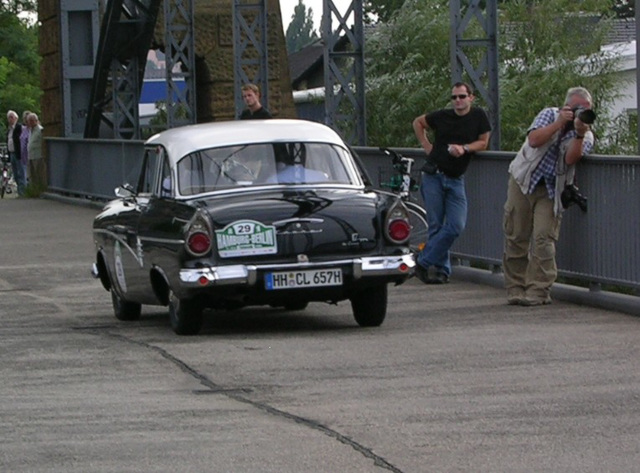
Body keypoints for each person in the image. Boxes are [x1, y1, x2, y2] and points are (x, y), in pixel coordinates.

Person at [502, 87, 595, 306]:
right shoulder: (549, 114)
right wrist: (559, 124)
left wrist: (579, 133)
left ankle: (539, 290)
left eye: (587, 109)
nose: (581, 113)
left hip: (552, 189)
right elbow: (534, 140)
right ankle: (515, 287)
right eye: (577, 108)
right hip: (524, 180)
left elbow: (572, 158)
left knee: (544, 237)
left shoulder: (587, 134)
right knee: (516, 234)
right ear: (566, 106)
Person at [412, 82, 491, 284]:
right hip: (433, 175)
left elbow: (483, 142)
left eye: (462, 96)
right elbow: (418, 123)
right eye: (454, 97)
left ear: (471, 98)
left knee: (456, 225)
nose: (458, 101)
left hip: (455, 178)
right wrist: (426, 145)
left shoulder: (478, 116)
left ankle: (422, 261)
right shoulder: (442, 116)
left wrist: (464, 148)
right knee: (436, 224)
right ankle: (442, 270)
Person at [5, 110, 27, 196]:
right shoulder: (9, 130)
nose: (10, 119)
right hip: (12, 153)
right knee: (15, 174)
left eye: (12, 117)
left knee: (21, 173)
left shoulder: (20, 128)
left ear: (16, 118)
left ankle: (23, 193)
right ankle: (20, 191)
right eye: (9, 118)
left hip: (19, 154)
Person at [26, 113, 46, 191]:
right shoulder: (31, 131)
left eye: (31, 121)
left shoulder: (40, 130)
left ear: (36, 121)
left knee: (39, 175)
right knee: (32, 176)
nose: (30, 123)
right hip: (31, 156)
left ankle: (41, 190)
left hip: (38, 156)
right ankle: (34, 191)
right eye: (29, 121)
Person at [20, 110, 31, 185]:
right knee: (24, 174)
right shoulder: (23, 129)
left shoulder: (32, 130)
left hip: (30, 155)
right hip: (23, 156)